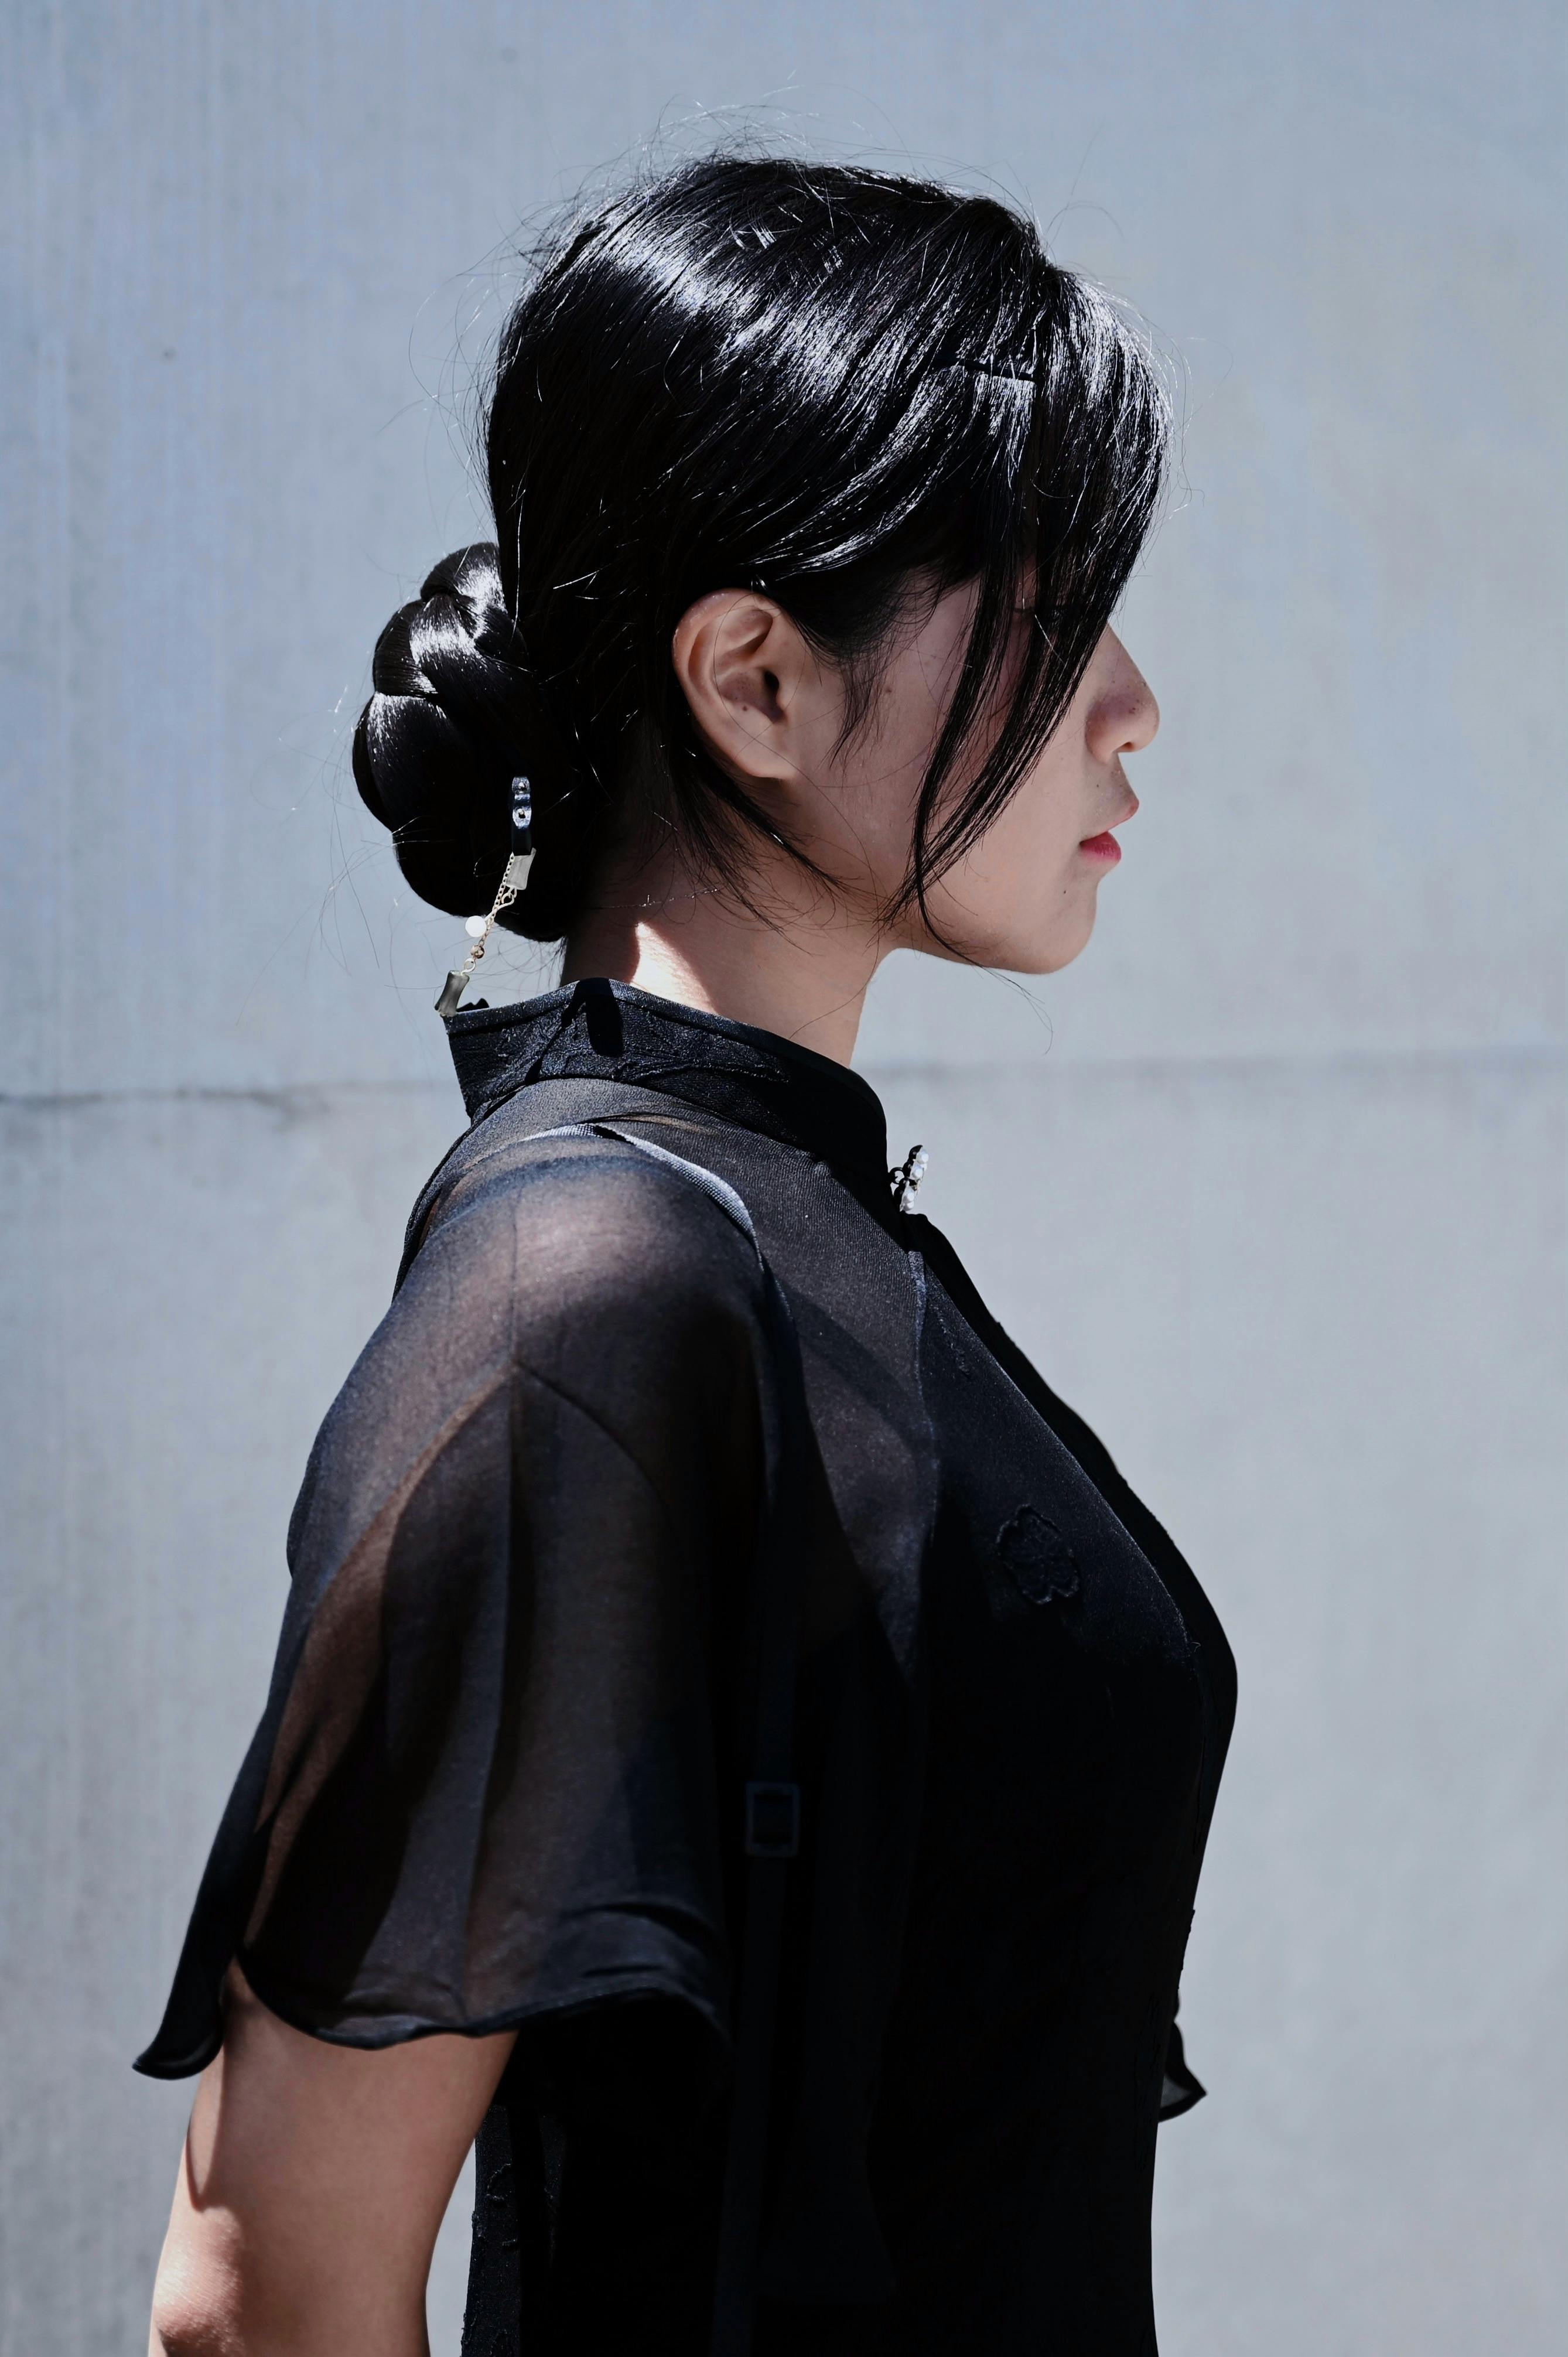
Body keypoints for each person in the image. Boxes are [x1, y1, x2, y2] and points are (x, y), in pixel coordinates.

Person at [141, 153, 1235, 2357]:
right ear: (754, 677)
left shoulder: (799, 1230)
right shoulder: (593, 1289)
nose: (1135, 705)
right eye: (1057, 603)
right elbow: (264, 2284)